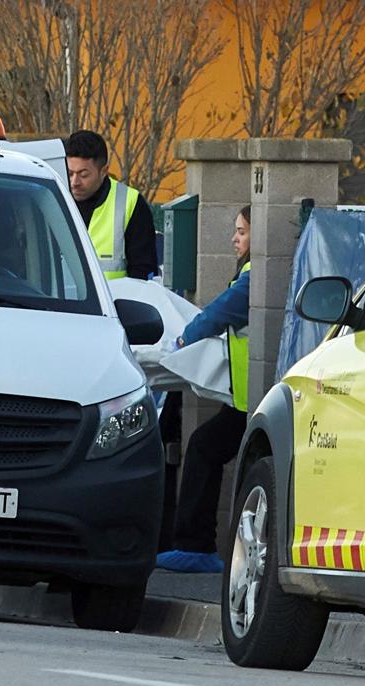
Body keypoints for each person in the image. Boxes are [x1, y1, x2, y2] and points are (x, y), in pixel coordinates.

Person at [156, 206, 252, 574]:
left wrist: (185, 338)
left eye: (242, 231)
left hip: (252, 403)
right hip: (245, 400)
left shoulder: (253, 275)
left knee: (202, 448)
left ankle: (196, 546)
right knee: (205, 447)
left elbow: (218, 314)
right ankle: (197, 545)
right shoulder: (250, 272)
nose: (234, 238)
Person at [64, 130, 158, 281]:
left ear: (104, 171)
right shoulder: (52, 197)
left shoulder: (130, 203)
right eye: (70, 173)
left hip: (114, 303)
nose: (75, 182)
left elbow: (143, 272)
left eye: (83, 175)